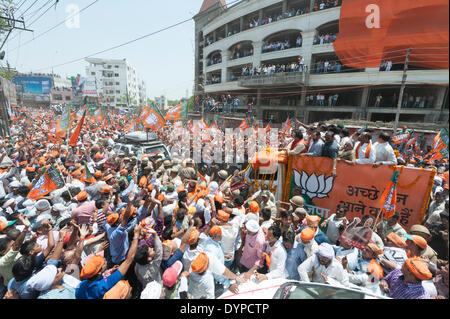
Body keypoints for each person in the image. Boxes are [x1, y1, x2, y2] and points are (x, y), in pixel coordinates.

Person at [75, 224, 142, 299]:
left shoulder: (81, 286)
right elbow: (129, 260)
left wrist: (108, 272)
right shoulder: (103, 285)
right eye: (103, 263)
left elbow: (77, 257)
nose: (105, 260)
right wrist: (136, 235)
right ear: (99, 272)